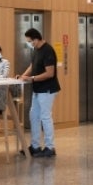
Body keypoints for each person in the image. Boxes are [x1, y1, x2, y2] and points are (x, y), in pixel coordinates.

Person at [18, 28, 59, 158]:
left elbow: (50, 73)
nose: (30, 44)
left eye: (30, 41)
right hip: (37, 89)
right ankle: (35, 146)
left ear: (36, 38)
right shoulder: (36, 50)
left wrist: (32, 78)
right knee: (33, 116)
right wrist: (22, 76)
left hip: (47, 89)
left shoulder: (48, 50)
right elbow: (32, 65)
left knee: (45, 117)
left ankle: (50, 147)